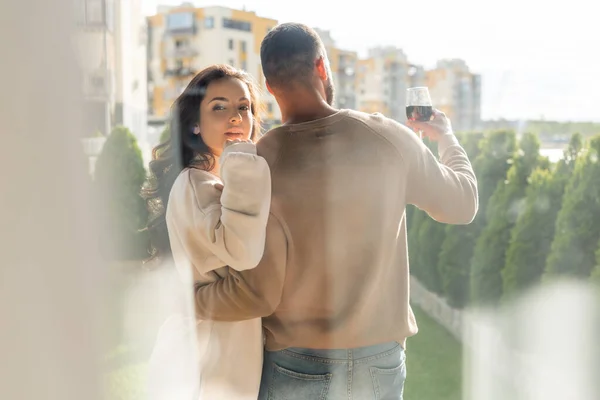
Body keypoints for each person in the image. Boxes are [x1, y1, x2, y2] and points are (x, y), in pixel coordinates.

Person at [192, 23, 479, 400]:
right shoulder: (390, 139)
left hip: (295, 362)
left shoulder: (256, 163)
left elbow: (249, 284)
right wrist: (447, 137)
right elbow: (463, 203)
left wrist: (189, 297)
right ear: (322, 67)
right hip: (380, 362)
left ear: (270, 84)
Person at [141, 64, 271, 399]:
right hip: (208, 360)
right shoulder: (196, 184)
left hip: (221, 351)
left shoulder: (216, 183)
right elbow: (243, 253)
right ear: (195, 124)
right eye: (220, 107)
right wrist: (243, 159)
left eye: (244, 107)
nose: (235, 117)